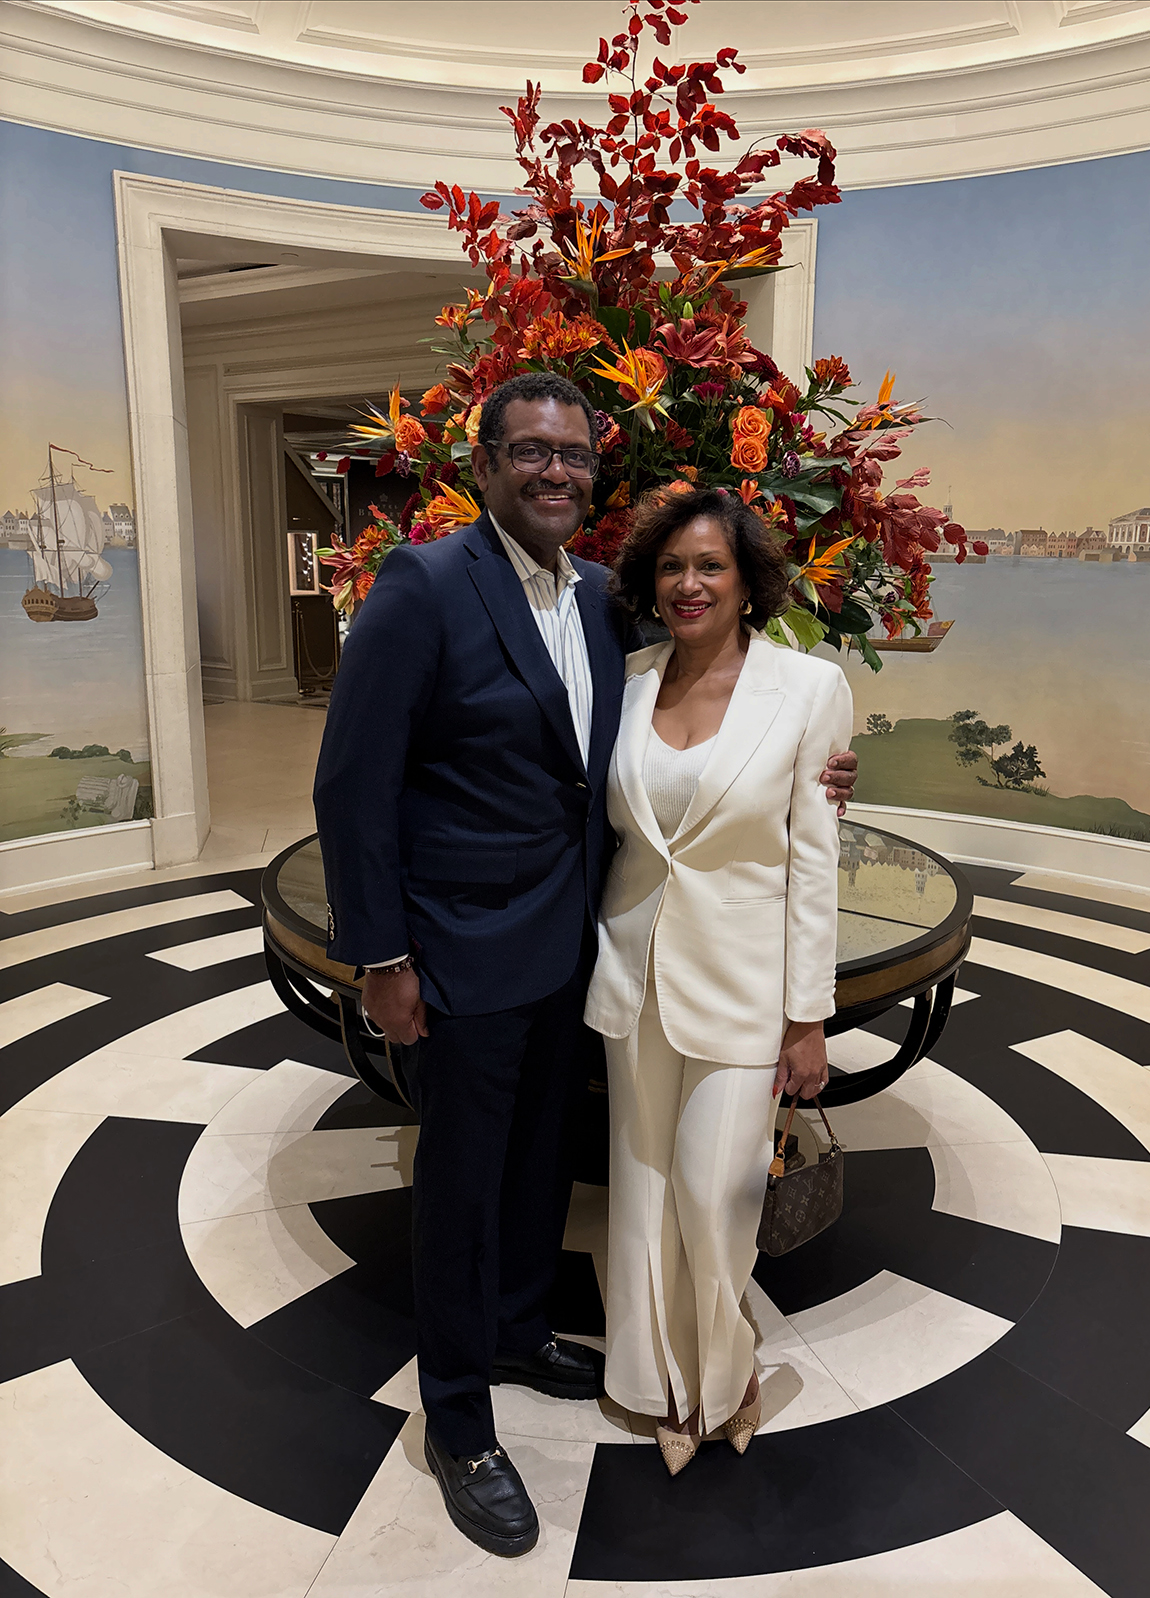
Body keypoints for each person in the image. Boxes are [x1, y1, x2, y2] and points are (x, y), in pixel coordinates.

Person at [313, 374, 859, 1556]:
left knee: (538, 1167)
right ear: (485, 462)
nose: (555, 471)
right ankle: (460, 1419)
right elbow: (353, 783)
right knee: (460, 1186)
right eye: (531, 451)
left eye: (573, 454)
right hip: (458, 954)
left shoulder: (608, 600)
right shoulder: (424, 584)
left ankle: (518, 1329)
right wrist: (383, 955)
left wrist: (822, 769)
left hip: (578, 950)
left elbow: (683, 735)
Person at [584, 487, 854, 1475]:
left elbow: (815, 859)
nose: (688, 583)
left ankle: (726, 1371)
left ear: (747, 582)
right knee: (642, 1188)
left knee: (714, 1193)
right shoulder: (626, 680)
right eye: (670, 566)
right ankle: (656, 1383)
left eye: (710, 565)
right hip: (633, 975)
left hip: (745, 986)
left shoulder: (808, 688)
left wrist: (807, 1016)